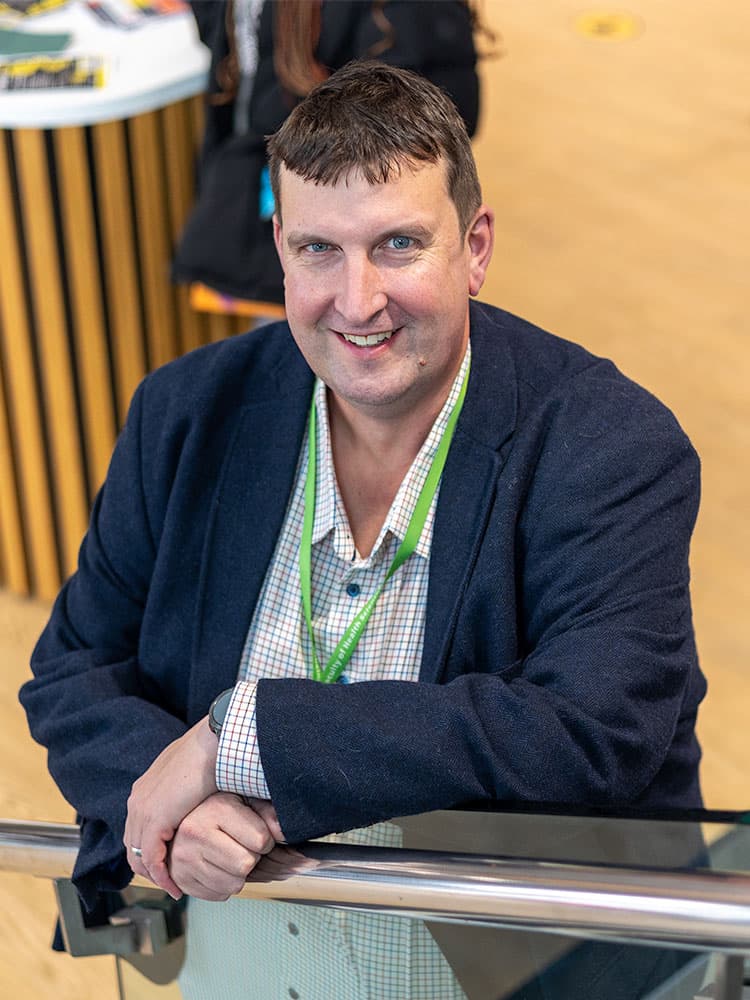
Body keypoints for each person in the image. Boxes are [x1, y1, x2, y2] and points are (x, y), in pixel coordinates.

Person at [20, 61, 706, 998]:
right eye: (319, 250)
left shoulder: (608, 444)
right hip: (242, 963)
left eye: (398, 245)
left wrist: (240, 736)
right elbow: (72, 668)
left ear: (475, 247)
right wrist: (172, 798)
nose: (357, 300)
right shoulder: (185, 412)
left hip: (514, 973)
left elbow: (592, 731)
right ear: (279, 248)